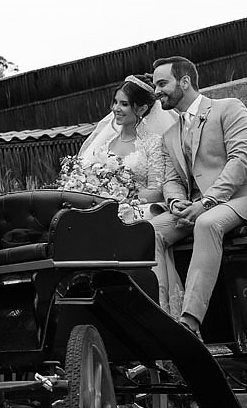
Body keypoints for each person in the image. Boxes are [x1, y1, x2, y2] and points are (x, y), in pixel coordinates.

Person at [149, 56, 247, 337]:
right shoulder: (169, 134)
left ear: (185, 81)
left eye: (162, 83)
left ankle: (190, 322)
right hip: (193, 206)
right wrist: (176, 203)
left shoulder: (229, 108)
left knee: (207, 223)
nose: (156, 91)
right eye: (155, 85)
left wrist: (206, 202)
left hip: (240, 198)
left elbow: (240, 161)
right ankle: (166, 315)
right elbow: (171, 179)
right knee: (147, 231)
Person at [74, 74, 183, 314]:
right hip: (107, 207)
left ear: (142, 108)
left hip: (141, 208)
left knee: (134, 228)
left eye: (123, 104)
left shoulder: (153, 143)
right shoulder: (104, 145)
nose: (116, 109)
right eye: (115, 102)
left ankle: (154, 308)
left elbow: (157, 189)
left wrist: (126, 196)